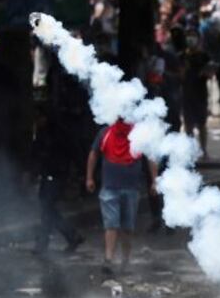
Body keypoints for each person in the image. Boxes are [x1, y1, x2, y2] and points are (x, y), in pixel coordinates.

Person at [86, 119, 158, 276]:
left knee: (127, 228)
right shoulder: (106, 133)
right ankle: (109, 259)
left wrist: (155, 180)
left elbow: (150, 157)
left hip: (131, 189)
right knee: (111, 225)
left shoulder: (138, 134)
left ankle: (125, 260)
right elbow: (94, 153)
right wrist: (89, 177)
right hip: (110, 188)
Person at [32, 111, 84, 255]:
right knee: (48, 209)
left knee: (47, 209)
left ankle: (47, 242)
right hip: (49, 175)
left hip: (56, 176)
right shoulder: (45, 134)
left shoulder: (59, 134)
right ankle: (69, 236)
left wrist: (78, 172)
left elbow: (74, 152)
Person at [181, 33, 212, 158]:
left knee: (202, 124)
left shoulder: (204, 56)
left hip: (200, 94)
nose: (191, 40)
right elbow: (179, 74)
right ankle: (190, 150)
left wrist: (204, 72)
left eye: (193, 37)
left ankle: (204, 150)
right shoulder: (182, 56)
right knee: (188, 124)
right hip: (186, 94)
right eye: (188, 37)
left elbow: (211, 72)